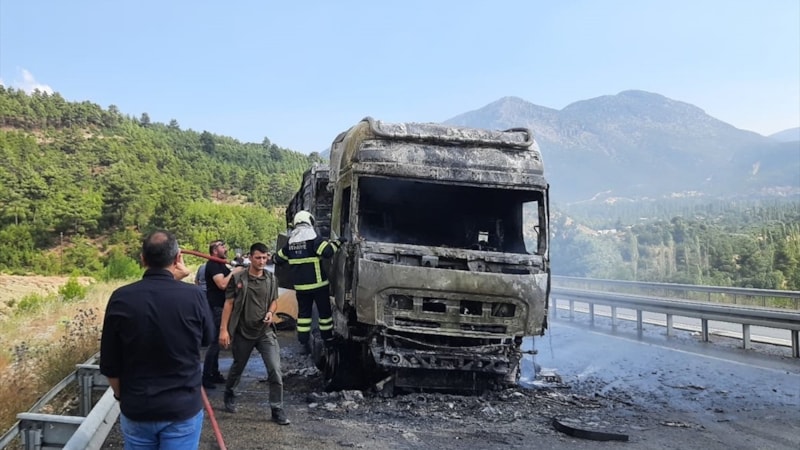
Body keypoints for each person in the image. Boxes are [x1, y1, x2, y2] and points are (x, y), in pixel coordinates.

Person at [100, 230, 214, 449]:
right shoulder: (194, 295)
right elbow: (207, 338)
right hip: (182, 409)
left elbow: (110, 365)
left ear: (143, 259)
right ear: (177, 258)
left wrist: (123, 397)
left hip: (138, 408)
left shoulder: (121, 298)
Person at [219, 242, 290, 425]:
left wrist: (270, 312)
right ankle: (230, 393)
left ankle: (277, 408)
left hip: (264, 332)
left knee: (275, 370)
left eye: (265, 257)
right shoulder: (239, 278)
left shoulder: (271, 279)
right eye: (258, 257)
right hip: (243, 332)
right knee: (238, 367)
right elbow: (228, 304)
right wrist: (224, 330)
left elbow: (274, 301)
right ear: (250, 257)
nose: (261, 261)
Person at [273, 210, 342, 354]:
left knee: (304, 315)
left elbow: (277, 259)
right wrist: (338, 242)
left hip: (301, 288)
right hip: (318, 286)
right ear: (309, 221)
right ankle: (328, 340)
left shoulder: (290, 243)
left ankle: (303, 340)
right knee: (325, 314)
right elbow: (328, 252)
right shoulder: (314, 239)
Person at [203, 240, 243, 389]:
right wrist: (234, 272)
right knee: (215, 342)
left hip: (223, 306)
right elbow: (222, 284)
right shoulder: (213, 264)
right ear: (214, 250)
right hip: (217, 307)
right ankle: (206, 376)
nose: (225, 248)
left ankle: (214, 373)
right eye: (221, 246)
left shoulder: (220, 264)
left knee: (218, 343)